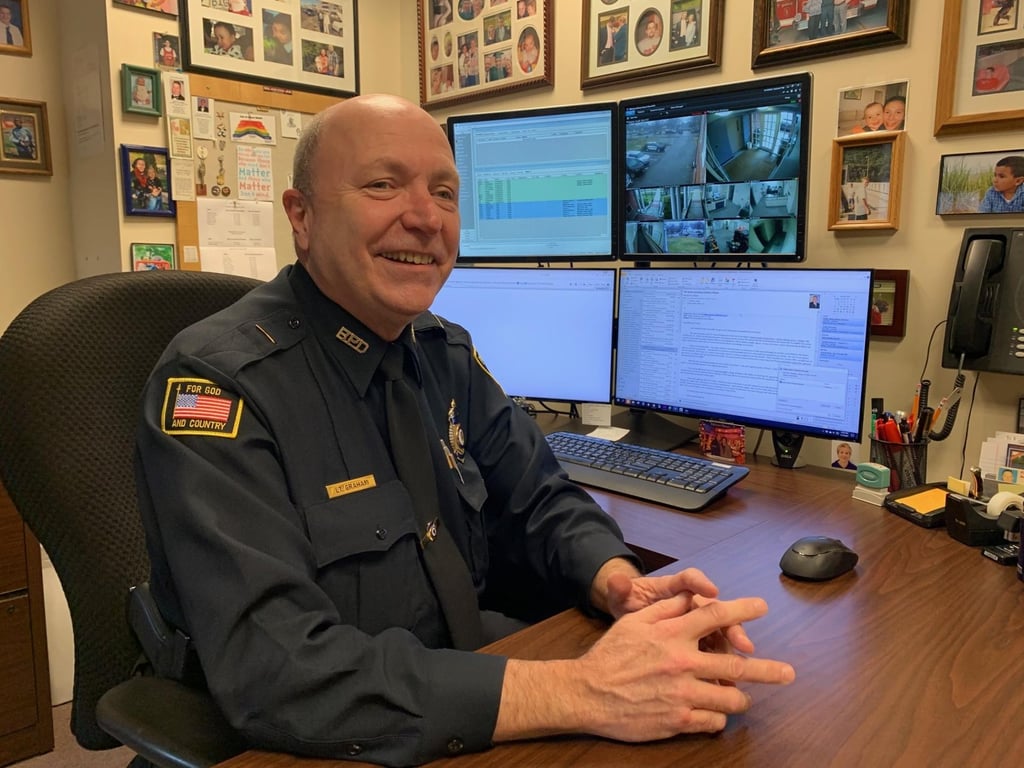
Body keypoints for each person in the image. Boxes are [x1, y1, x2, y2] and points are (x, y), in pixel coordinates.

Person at [134, 93, 795, 767]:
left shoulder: (441, 351)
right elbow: (274, 663)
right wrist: (582, 690)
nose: (426, 218)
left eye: (445, 193)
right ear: (301, 216)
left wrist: (616, 579)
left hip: (463, 676)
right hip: (326, 736)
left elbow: (539, 497)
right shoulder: (218, 385)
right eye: (383, 184)